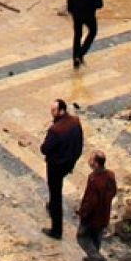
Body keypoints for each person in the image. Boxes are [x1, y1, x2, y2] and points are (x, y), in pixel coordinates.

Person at [40, 98, 84, 239]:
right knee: (56, 191)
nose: (52, 113)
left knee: (55, 193)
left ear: (61, 111)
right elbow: (80, 144)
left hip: (56, 166)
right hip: (69, 163)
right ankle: (52, 205)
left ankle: (56, 230)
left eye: (54, 110)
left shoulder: (55, 130)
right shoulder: (75, 122)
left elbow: (45, 149)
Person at [75, 151, 118, 261]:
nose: (89, 161)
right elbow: (113, 191)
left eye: (91, 159)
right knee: (96, 237)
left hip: (92, 217)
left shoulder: (94, 180)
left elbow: (91, 201)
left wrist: (83, 213)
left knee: (82, 237)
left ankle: (96, 257)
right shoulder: (110, 175)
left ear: (96, 163)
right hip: (104, 215)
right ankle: (93, 258)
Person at [66, 0, 105, 68]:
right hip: (89, 15)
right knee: (93, 31)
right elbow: (99, 4)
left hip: (76, 14)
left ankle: (75, 60)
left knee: (77, 35)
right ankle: (81, 53)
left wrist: (70, 10)